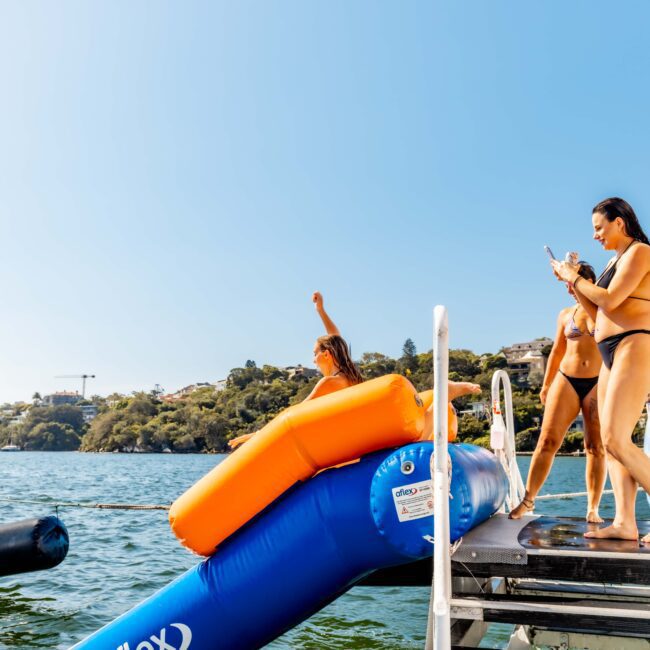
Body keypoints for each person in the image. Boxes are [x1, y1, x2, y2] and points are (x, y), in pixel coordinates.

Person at [551, 197, 650, 541]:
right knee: (611, 444)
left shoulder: (640, 252)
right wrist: (574, 287)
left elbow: (611, 300)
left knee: (615, 438)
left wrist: (573, 277)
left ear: (619, 223)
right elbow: (597, 317)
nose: (595, 236)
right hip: (609, 348)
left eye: (599, 227)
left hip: (634, 343)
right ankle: (625, 523)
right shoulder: (613, 261)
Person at [510, 262, 605, 522]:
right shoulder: (565, 313)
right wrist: (546, 383)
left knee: (595, 446)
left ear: (586, 281)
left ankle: (593, 508)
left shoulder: (604, 310)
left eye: (571, 283)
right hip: (567, 379)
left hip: (597, 381)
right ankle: (528, 501)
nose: (568, 289)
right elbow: (557, 351)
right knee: (547, 441)